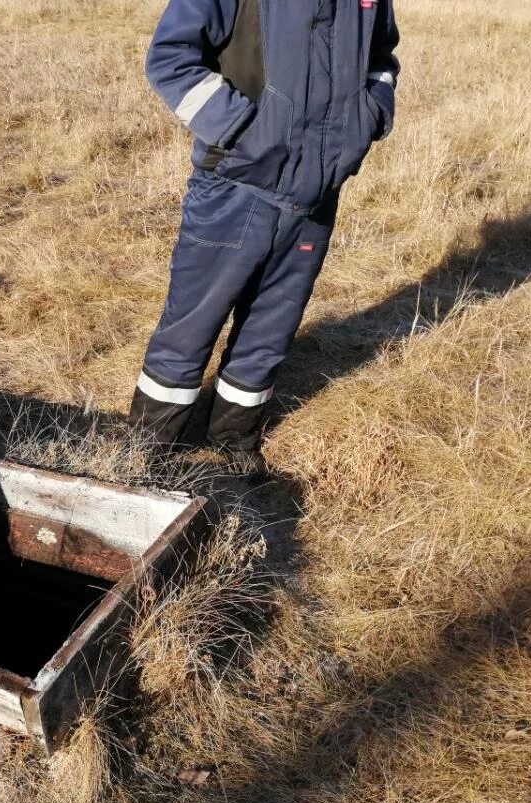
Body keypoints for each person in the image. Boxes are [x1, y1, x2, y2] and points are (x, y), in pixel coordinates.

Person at [131, 0, 400, 472]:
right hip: (236, 186)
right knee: (191, 325)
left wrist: (368, 117)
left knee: (270, 329)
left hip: (317, 195)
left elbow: (382, 60)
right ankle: (148, 450)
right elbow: (170, 55)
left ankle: (234, 440)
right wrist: (240, 129)